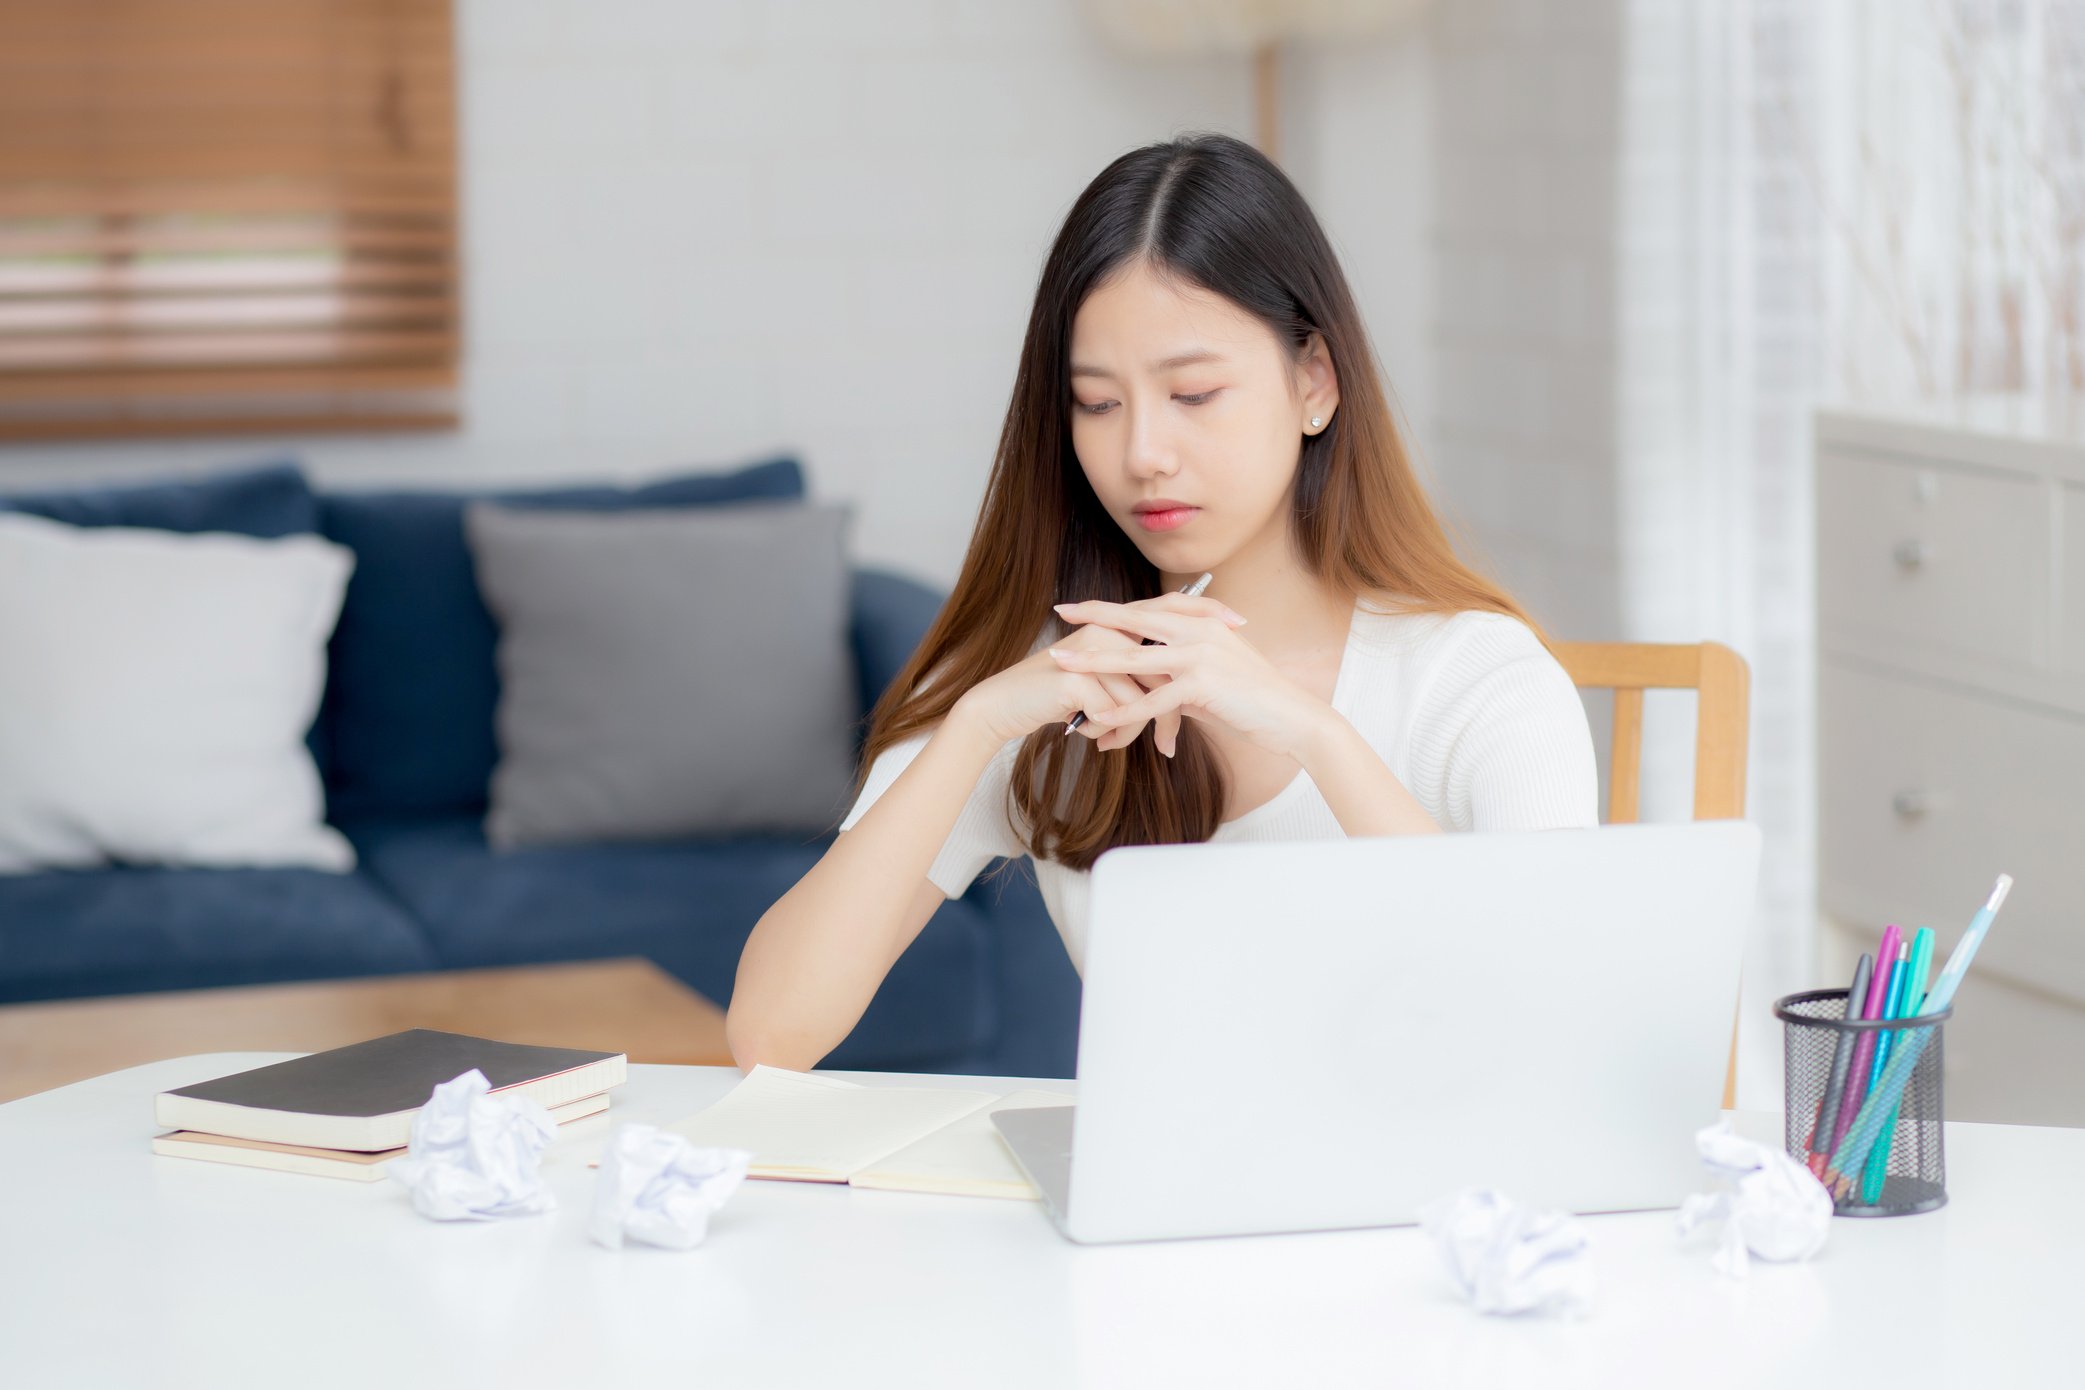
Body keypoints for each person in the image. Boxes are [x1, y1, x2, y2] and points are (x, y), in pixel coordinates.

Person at [726, 131, 1598, 1071]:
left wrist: (1314, 735)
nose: (1142, 452)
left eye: (1192, 392)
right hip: (1157, 1210)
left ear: (1314, 381)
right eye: (1096, 404)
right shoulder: (1055, 683)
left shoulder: (1474, 680)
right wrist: (975, 721)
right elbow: (771, 1034)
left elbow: (1549, 1034)